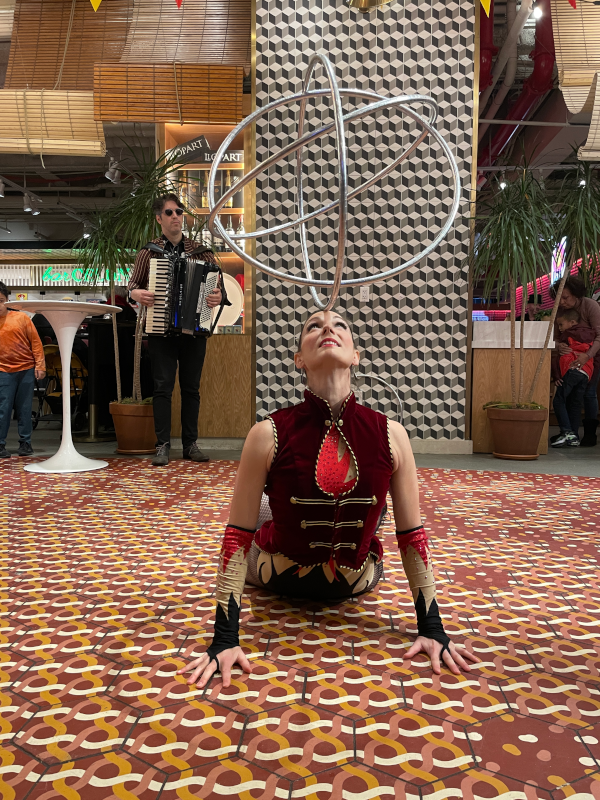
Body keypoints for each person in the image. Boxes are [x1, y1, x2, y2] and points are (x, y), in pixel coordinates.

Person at [177, 309, 480, 690]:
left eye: (339, 325)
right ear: (299, 360)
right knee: (265, 510)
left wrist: (432, 629)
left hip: (356, 579)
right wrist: (224, 639)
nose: (327, 329)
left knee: (365, 503)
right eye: (313, 326)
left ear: (356, 356)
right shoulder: (266, 433)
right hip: (272, 572)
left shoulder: (393, 435)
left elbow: (412, 534)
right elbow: (237, 534)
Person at [128, 194, 222, 467]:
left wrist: (217, 296)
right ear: (159, 218)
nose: (175, 217)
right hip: (161, 331)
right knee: (162, 389)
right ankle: (162, 445)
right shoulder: (149, 252)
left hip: (194, 331)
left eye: (179, 212)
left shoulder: (201, 252)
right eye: (169, 212)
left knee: (191, 389)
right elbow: (132, 285)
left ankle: (191, 444)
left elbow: (219, 289)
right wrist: (137, 294)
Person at [551, 276, 600, 446]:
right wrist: (559, 346)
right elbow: (555, 337)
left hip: (591, 358)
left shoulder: (590, 306)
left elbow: (599, 336)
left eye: (565, 297)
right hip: (568, 360)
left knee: (589, 393)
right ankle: (571, 433)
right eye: (559, 298)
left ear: (576, 294)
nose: (562, 302)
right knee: (572, 398)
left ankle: (589, 433)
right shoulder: (559, 310)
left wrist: (587, 355)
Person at [0, 281, 46, 457]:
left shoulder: (21, 318)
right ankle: (0, 444)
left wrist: (40, 365)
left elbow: (36, 343)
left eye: (1, 301)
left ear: (7, 300)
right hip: (3, 370)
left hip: (26, 369)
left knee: (25, 408)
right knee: (3, 408)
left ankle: (26, 442)